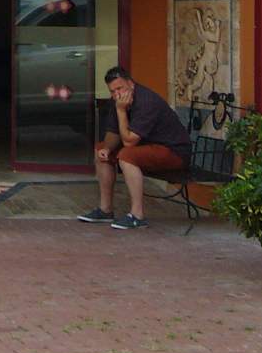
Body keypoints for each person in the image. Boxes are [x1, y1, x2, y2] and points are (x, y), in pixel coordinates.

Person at [78, 66, 191, 230]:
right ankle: (105, 210)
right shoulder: (118, 101)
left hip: (174, 152)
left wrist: (121, 111)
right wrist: (107, 148)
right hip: (147, 147)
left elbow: (129, 142)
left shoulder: (146, 101)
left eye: (120, 88)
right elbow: (113, 133)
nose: (117, 94)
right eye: (112, 91)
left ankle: (137, 216)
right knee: (101, 150)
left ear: (131, 84)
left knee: (126, 155)